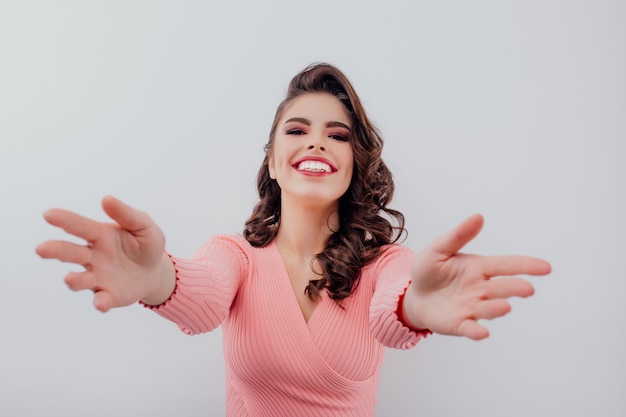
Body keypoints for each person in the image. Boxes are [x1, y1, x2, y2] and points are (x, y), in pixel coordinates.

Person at [36, 63, 551, 417]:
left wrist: (416, 305)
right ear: (274, 162)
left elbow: (394, 312)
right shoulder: (233, 255)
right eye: (297, 129)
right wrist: (156, 278)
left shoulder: (386, 263)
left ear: (353, 166)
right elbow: (203, 296)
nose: (317, 140)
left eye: (338, 134)